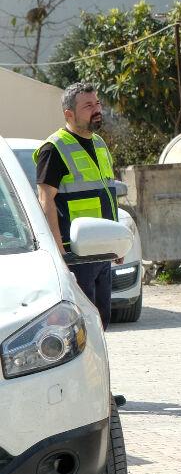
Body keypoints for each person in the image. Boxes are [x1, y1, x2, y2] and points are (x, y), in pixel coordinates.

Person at [35, 82, 119, 328]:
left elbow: (108, 196)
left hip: (102, 251)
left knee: (101, 322)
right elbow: (45, 200)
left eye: (97, 103)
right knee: (82, 326)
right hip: (75, 254)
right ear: (69, 114)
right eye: (88, 106)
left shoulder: (100, 144)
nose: (96, 109)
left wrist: (116, 241)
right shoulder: (54, 148)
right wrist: (59, 251)